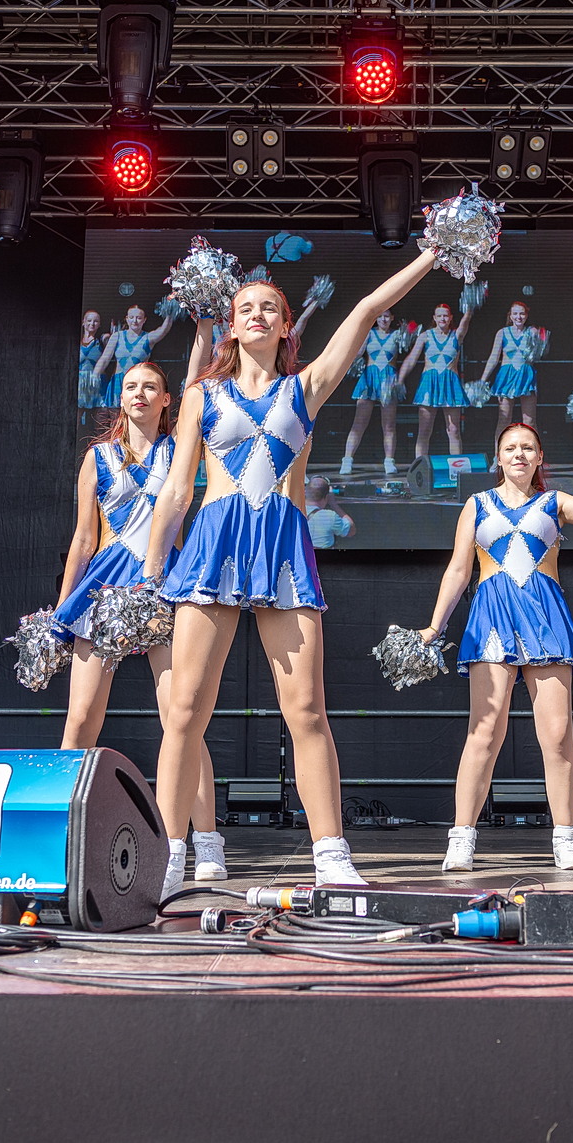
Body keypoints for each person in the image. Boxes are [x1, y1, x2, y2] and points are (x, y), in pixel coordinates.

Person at [146, 249, 443, 889]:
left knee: (306, 709)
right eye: (245, 308)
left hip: (282, 544)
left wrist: (433, 253)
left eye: (269, 308)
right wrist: (150, 574)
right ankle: (170, 858)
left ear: (286, 325)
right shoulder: (201, 395)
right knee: (186, 711)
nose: (257, 315)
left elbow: (367, 308)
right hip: (215, 543)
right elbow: (175, 493)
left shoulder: (305, 387)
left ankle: (332, 857)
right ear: (230, 326)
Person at [419, 422, 573, 873]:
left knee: (557, 734)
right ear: (498, 457)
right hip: (492, 617)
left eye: (528, 447)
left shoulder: (555, 502)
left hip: (545, 619)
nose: (519, 454)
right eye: (510, 447)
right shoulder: (477, 504)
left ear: (540, 457)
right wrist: (435, 627)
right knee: (484, 733)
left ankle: (566, 838)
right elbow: (458, 570)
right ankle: (462, 839)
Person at [53, 334, 227, 885]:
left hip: (164, 587)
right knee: (82, 717)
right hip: (104, 589)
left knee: (182, 718)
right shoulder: (97, 458)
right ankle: (59, 831)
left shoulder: (180, 450)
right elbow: (84, 539)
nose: (139, 394)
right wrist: (60, 611)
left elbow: (200, 379)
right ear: (120, 397)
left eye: (151, 387)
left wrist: (203, 327)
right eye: (131, 386)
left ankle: (207, 842)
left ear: (167, 399)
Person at [398, 299, 475, 465]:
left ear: (451, 317)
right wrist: (400, 380)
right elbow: (411, 359)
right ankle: (419, 468)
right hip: (429, 384)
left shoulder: (457, 335)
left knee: (453, 430)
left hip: (450, 385)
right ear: (434, 317)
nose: (442, 319)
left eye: (445, 316)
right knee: (425, 430)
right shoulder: (425, 336)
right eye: (439, 316)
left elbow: (466, 320)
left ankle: (457, 469)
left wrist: (470, 305)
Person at [339, 311, 412, 477]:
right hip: (369, 378)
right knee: (359, 423)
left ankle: (389, 461)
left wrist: (408, 331)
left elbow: (409, 343)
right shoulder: (369, 333)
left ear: (392, 318)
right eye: (380, 316)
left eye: (387, 316)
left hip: (388, 379)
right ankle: (347, 460)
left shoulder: (396, 334)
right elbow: (358, 353)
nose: (383, 319)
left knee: (389, 424)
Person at [478, 302, 546, 434]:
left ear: (527, 315)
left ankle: (532, 447)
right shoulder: (502, 333)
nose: (518, 317)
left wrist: (539, 338)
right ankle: (500, 448)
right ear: (510, 316)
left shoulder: (531, 331)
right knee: (504, 419)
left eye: (522, 313)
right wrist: (482, 380)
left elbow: (539, 354)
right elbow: (493, 358)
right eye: (515, 313)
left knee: (530, 421)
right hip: (506, 376)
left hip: (526, 375)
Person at [94, 303, 181, 398]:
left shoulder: (148, 338)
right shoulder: (117, 336)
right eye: (131, 317)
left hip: (138, 383)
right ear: (127, 319)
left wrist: (170, 313)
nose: (134, 321)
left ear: (144, 320)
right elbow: (105, 358)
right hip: (118, 384)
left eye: (139, 318)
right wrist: (94, 375)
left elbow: (163, 330)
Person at [77, 310, 111, 421]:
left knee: (99, 417)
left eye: (96, 321)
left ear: (99, 324)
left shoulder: (101, 340)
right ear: (83, 322)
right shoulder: (76, 340)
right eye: (89, 320)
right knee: (77, 416)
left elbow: (110, 342)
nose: (92, 323)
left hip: (97, 383)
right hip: (80, 384)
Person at [305, 475, 355, 549]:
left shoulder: (291, 514)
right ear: (327, 497)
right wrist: (333, 504)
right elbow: (351, 531)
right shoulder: (329, 516)